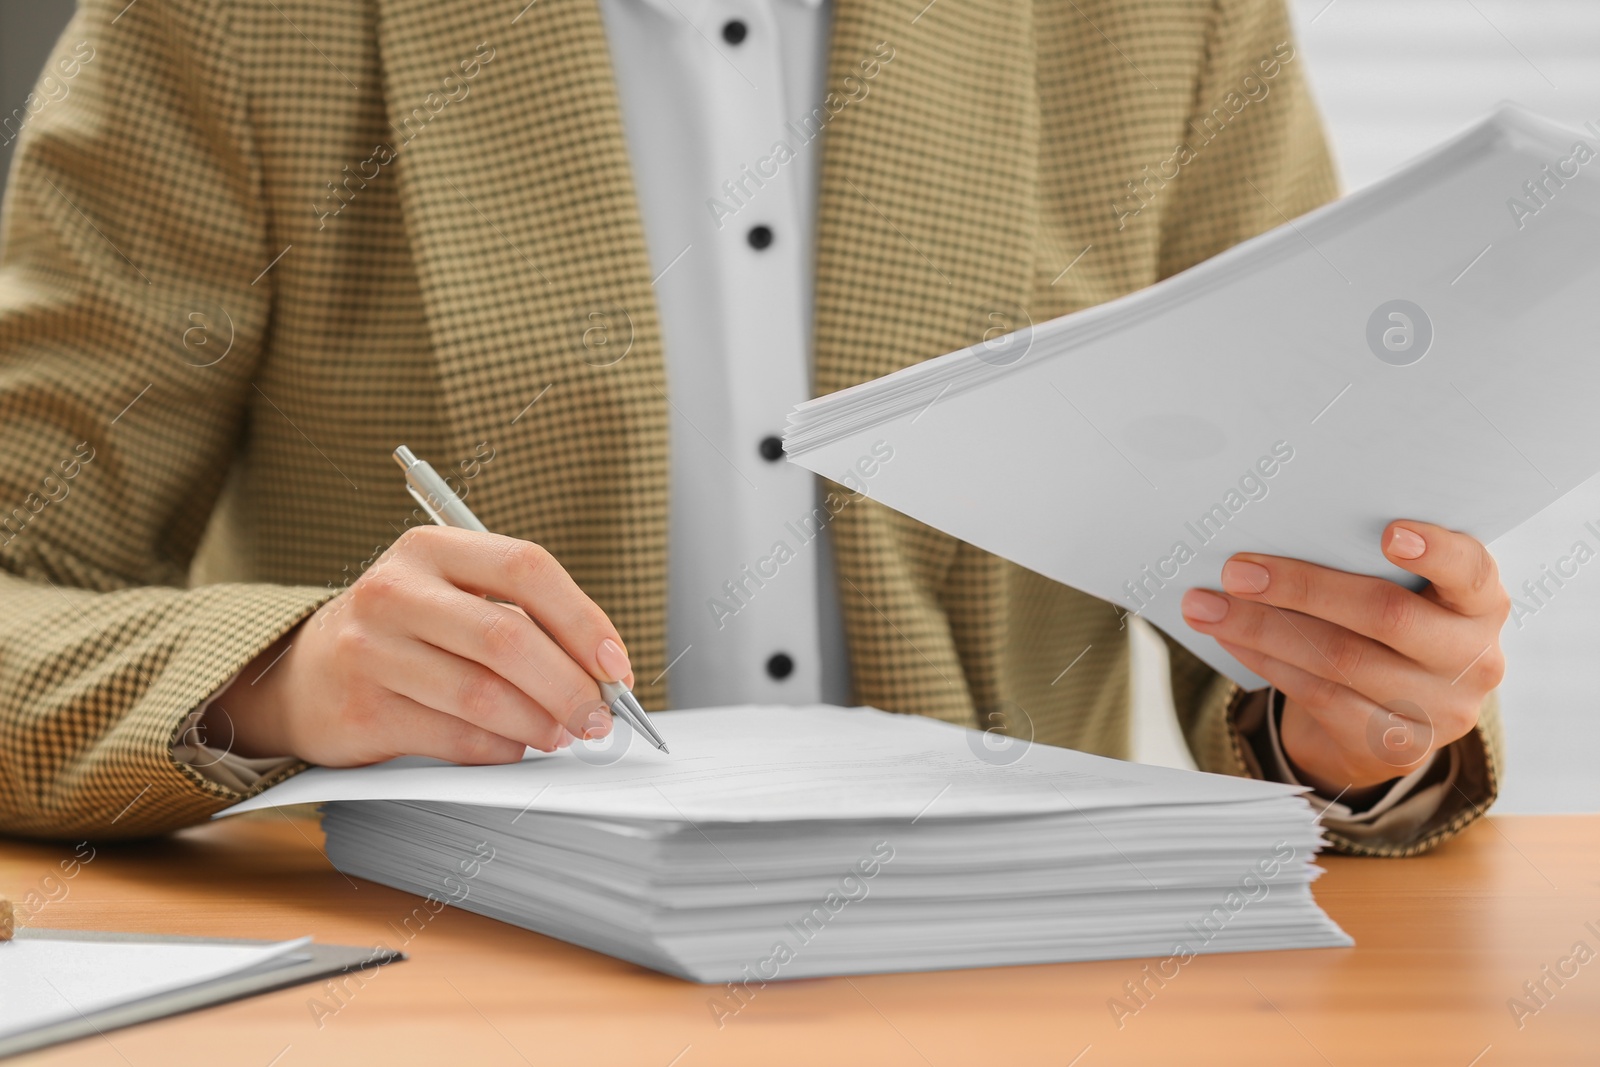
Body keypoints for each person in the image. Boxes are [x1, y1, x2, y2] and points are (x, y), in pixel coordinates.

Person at [0, 0, 1504, 850]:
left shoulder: (1160, 24)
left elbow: (1336, 597)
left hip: (1013, 982)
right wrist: (281, 677)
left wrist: (1357, 726)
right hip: (440, 992)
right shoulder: (239, 25)